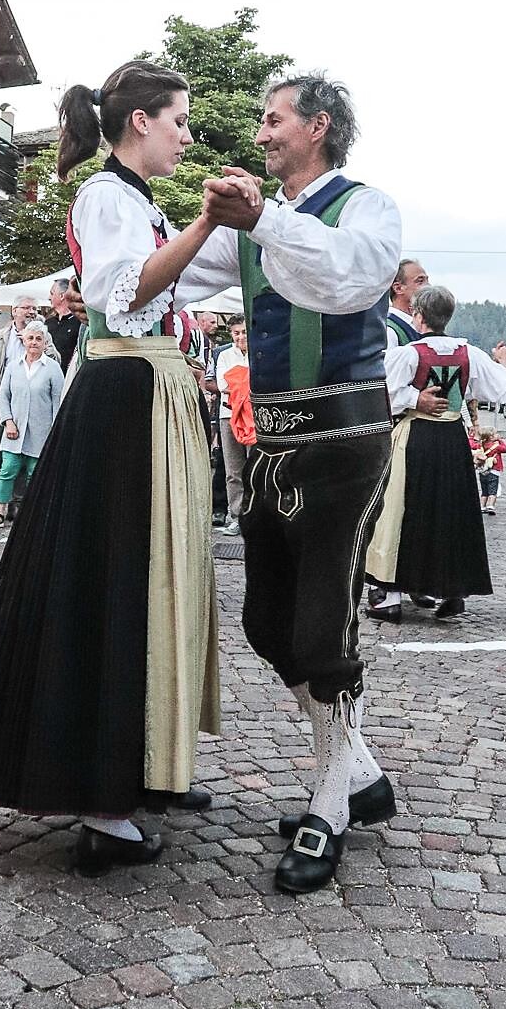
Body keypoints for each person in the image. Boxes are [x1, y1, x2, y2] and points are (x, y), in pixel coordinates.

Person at [0, 60, 222, 876]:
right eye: (179, 119)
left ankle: (141, 764)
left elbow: (179, 278)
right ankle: (104, 799)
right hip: (124, 392)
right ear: (141, 121)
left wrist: (238, 230)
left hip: (141, 390)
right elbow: (125, 293)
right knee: (118, 580)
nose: (186, 134)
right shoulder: (109, 197)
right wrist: (206, 226)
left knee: (150, 578)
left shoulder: (135, 201)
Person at [169, 73, 405, 894]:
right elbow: (173, 274)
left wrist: (261, 218)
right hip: (270, 444)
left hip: (344, 440)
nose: (262, 133)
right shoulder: (251, 225)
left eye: (273, 119)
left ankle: (329, 804)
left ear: (320, 124)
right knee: (268, 623)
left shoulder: (368, 209)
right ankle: (362, 773)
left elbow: (348, 278)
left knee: (320, 627)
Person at [364, 284, 506, 622]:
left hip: (415, 437)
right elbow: (503, 390)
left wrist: (413, 399)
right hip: (452, 438)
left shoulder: (410, 353)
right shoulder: (469, 353)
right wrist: (503, 363)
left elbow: (378, 389)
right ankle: (451, 591)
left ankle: (388, 595)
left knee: (401, 511)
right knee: (450, 511)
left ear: (418, 316)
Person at [0, 295, 60, 524]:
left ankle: (20, 506)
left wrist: (45, 341)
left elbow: (56, 386)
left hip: (37, 417)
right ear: (14, 311)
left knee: (30, 464)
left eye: (33, 308)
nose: (30, 311)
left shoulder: (47, 348)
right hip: (4, 409)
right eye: (26, 308)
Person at [212, 316, 250, 535]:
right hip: (229, 414)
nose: (241, 337)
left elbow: (235, 383)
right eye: (236, 333)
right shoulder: (224, 355)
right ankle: (236, 514)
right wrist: (244, 383)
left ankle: (256, 513)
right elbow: (223, 384)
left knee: (253, 465)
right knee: (233, 468)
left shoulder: (257, 354)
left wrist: (239, 382)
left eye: (244, 332)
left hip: (253, 415)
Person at [384, 260, 429, 347]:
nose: (428, 286)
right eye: (420, 281)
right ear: (398, 288)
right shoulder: (389, 330)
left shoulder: (423, 325)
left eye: (427, 281)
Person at [46, 277, 83, 369]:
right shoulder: (48, 323)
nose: (49, 297)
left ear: (62, 296)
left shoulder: (79, 322)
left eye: (52, 293)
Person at [472, 422, 506, 514]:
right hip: (494, 470)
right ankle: (490, 506)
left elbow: (472, 445)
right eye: (496, 434)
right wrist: (500, 441)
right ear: (491, 437)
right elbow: (505, 449)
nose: (498, 435)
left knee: (484, 491)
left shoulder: (480, 445)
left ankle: (482, 506)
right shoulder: (496, 446)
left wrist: (472, 437)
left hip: (482, 471)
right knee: (493, 490)